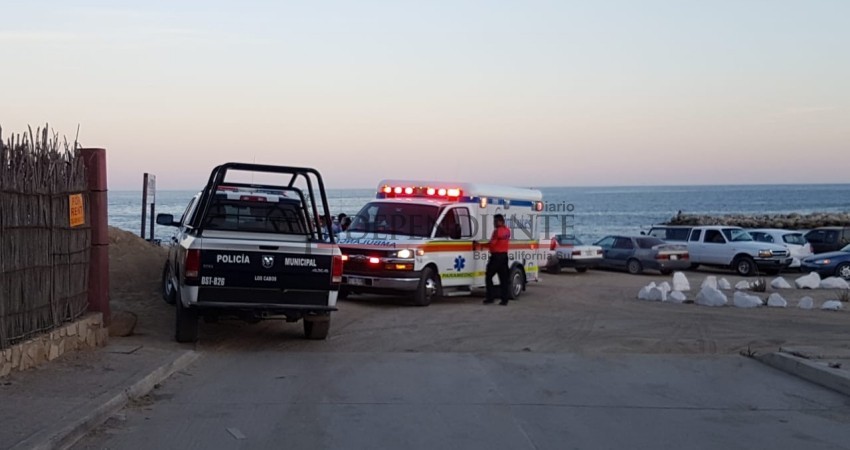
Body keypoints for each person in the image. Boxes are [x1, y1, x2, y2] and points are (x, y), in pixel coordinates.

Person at [484, 214, 511, 305]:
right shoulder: (507, 231)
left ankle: (490, 297)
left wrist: (483, 245)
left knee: (488, 276)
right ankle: (504, 299)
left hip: (496, 257)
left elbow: (492, 244)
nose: (494, 223)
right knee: (503, 279)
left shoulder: (497, 232)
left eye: (495, 221)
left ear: (500, 221)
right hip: (504, 256)